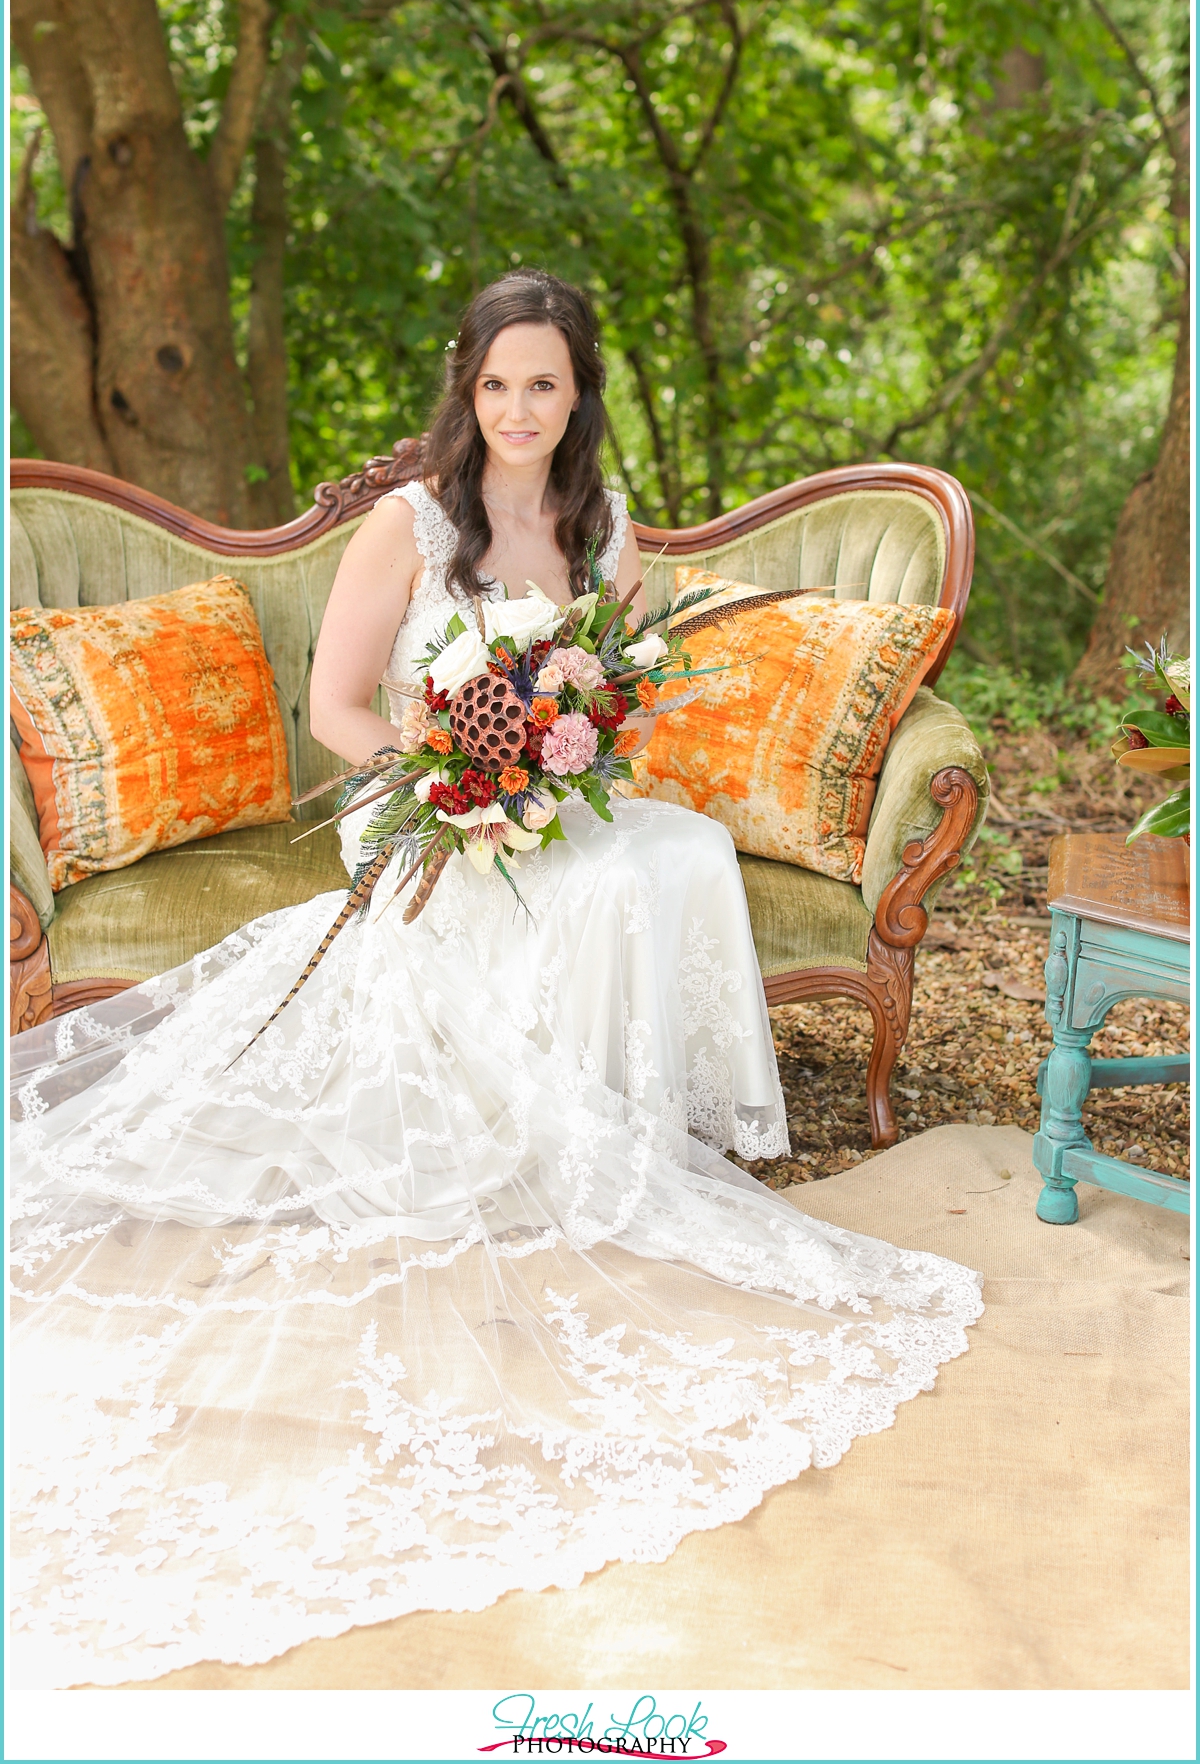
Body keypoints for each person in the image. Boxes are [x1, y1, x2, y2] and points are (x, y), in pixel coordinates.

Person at [9, 270, 982, 1688]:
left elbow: (622, 697)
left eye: (546, 384)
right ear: (465, 393)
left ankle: (632, 1127)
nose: (520, 410)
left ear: (579, 394)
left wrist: (556, 751)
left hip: (548, 800)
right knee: (582, 882)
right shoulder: (408, 527)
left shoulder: (602, 526)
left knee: (681, 855)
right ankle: (547, 1145)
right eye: (496, 385)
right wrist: (451, 776)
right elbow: (338, 706)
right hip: (420, 807)